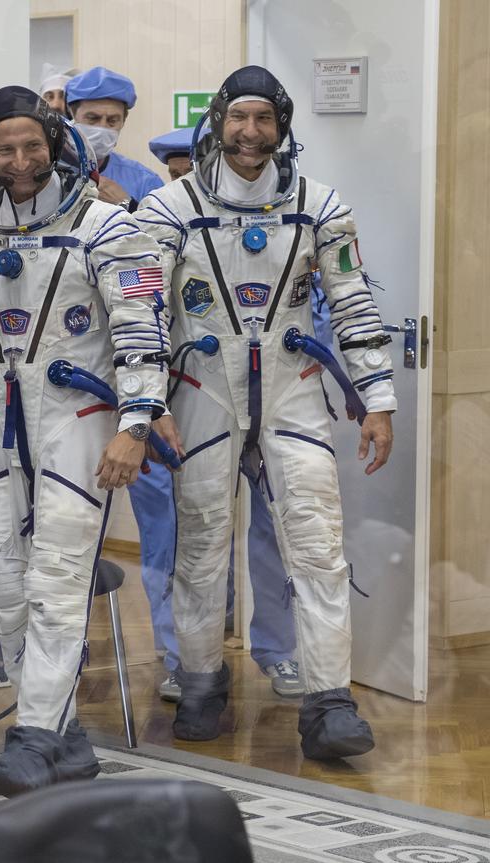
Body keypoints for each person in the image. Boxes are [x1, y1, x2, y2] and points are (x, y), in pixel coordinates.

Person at [0, 86, 175, 796]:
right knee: (9, 581)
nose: (20, 161)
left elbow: (143, 332)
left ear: (54, 144)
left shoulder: (108, 227)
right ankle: (69, 736)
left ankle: (35, 732)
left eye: (32, 146)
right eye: (5, 148)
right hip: (2, 426)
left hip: (79, 422)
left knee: (56, 579)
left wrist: (135, 426)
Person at [134, 66, 395, 759]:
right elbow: (141, 316)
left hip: (292, 385)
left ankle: (330, 698)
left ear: (282, 127)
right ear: (219, 121)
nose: (251, 134)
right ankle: (198, 680)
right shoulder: (169, 209)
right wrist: (148, 402)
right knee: (202, 541)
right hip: (201, 389)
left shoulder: (319, 204)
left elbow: (354, 302)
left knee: (316, 541)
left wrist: (378, 399)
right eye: (238, 119)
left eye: (265, 120)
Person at [144, 124, 307, 704]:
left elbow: (309, 308)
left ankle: (280, 651)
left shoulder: (290, 216)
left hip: (275, 398)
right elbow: (142, 319)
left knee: (281, 529)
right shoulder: (160, 217)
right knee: (180, 536)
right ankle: (183, 660)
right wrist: (147, 404)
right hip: (185, 403)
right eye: (176, 168)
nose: (187, 177)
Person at [64, 66, 162, 209]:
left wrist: (128, 205)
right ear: (71, 115)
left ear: (124, 121)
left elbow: (161, 230)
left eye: (112, 120)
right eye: (92, 118)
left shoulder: (145, 181)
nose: (102, 127)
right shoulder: (46, 172)